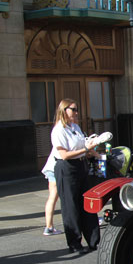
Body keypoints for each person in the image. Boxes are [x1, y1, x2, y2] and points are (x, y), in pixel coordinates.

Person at [51, 99, 101, 254]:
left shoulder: (76, 127)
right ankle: (75, 243)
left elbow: (83, 146)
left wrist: (92, 150)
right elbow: (64, 155)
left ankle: (93, 240)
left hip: (80, 165)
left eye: (77, 109)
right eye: (74, 109)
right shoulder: (59, 130)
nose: (77, 112)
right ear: (64, 110)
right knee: (71, 206)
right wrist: (86, 148)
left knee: (87, 202)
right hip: (66, 168)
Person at [41, 150, 63, 236]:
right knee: (55, 197)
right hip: (57, 168)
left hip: (50, 168)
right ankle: (49, 227)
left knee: (52, 197)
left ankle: (49, 226)